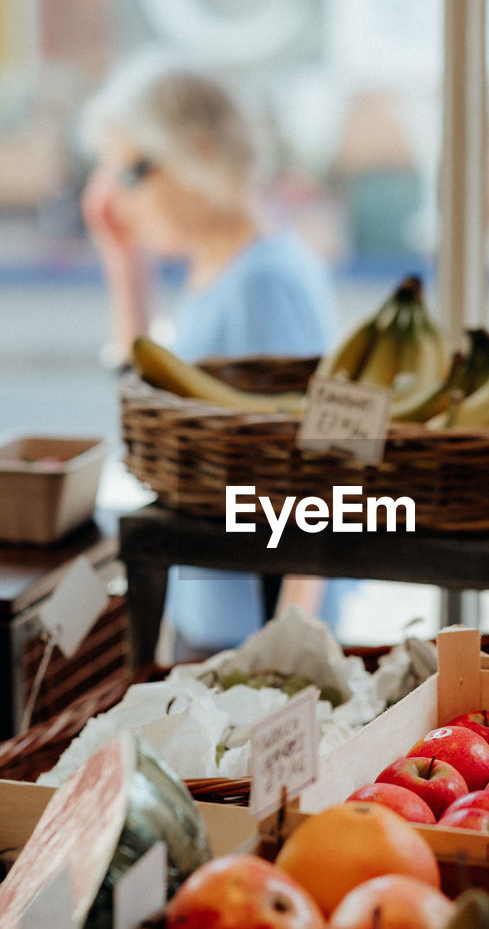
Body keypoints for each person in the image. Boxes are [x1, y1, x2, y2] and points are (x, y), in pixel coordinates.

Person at [79, 57, 337, 659]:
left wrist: (287, 654)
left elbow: (323, 472)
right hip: (219, 615)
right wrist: (125, 266)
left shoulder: (264, 283)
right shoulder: (220, 269)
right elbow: (153, 396)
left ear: (194, 152)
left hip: (249, 635)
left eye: (130, 173)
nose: (116, 199)